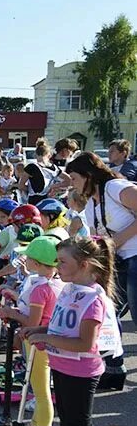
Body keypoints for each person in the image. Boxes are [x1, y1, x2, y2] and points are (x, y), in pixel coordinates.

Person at [24, 236, 122, 426]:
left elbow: (84, 343)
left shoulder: (94, 300)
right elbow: (61, 326)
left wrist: (45, 337)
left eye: (63, 261)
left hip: (81, 370)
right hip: (62, 364)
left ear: (85, 264)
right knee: (66, 419)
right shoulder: (69, 289)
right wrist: (40, 329)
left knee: (79, 424)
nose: (58, 265)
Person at [66, 151, 136, 390]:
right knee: (108, 312)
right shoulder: (92, 204)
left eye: (74, 178)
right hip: (118, 261)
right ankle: (114, 367)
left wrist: (116, 241)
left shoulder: (115, 188)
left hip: (135, 257)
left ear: (88, 175)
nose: (72, 184)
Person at [0, 235, 64, 426]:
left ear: (36, 263)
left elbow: (33, 322)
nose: (23, 260)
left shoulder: (39, 289)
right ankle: (37, 425)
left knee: (41, 390)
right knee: (39, 387)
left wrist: (10, 312)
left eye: (27, 257)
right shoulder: (54, 283)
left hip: (38, 344)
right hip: (43, 342)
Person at [19, 139, 58, 206]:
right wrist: (52, 188)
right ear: (49, 155)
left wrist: (29, 189)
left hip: (34, 198)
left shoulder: (31, 167)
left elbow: (21, 185)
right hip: (47, 197)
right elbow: (67, 180)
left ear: (36, 154)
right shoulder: (53, 167)